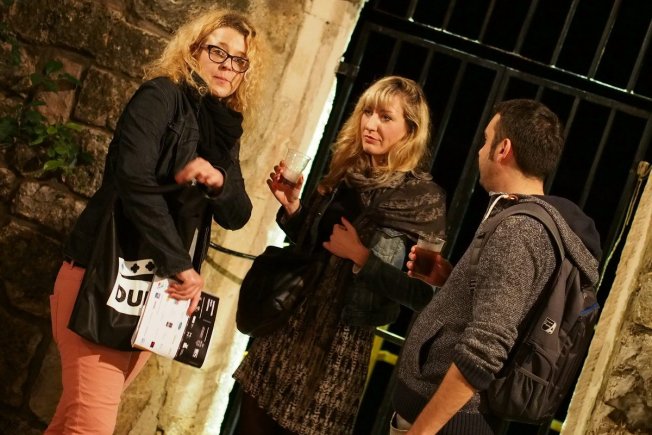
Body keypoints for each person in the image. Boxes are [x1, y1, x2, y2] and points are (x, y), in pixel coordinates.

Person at [330, 99, 602, 434]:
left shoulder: (520, 230)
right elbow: (505, 310)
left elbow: (485, 348)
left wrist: (421, 431)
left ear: (503, 149)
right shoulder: (522, 219)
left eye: (486, 140)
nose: (480, 150)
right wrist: (450, 282)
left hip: (445, 425)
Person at [46, 10, 258, 434]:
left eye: (239, 60)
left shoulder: (221, 131)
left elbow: (238, 214)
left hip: (153, 297)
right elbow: (133, 180)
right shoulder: (161, 96)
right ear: (193, 50)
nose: (227, 66)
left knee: (73, 420)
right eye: (217, 51)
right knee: (91, 425)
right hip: (103, 278)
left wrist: (218, 182)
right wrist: (180, 264)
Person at [233, 76, 447, 435]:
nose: (371, 124)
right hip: (290, 325)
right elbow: (313, 246)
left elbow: (422, 294)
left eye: (385, 117)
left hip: (342, 347)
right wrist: (294, 207)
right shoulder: (346, 171)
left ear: (410, 130)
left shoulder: (423, 200)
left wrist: (362, 258)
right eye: (368, 112)